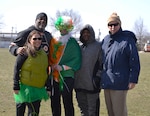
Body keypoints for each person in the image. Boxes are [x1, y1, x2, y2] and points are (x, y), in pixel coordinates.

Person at [101, 12, 140, 116]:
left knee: (119, 113)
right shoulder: (105, 40)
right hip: (107, 81)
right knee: (111, 112)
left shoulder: (127, 39)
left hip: (119, 82)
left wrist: (133, 79)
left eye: (115, 24)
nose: (112, 27)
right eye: (110, 25)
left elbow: (134, 60)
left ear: (120, 24)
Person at [48, 16, 81, 116]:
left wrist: (62, 67)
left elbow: (77, 59)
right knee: (54, 101)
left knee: (67, 101)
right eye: (61, 26)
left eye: (66, 27)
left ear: (69, 27)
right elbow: (49, 56)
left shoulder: (72, 42)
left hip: (67, 76)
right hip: (54, 76)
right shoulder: (53, 40)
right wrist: (52, 66)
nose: (63, 29)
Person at [13, 30, 50, 116]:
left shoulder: (43, 54)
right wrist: (16, 85)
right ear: (30, 40)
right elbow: (16, 68)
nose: (37, 40)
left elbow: (46, 71)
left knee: (34, 112)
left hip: (38, 89)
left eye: (39, 38)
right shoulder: (24, 52)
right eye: (35, 39)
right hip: (24, 88)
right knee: (20, 112)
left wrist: (48, 87)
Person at [74, 24, 103, 116]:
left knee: (92, 112)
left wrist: (97, 79)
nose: (86, 34)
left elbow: (102, 64)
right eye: (84, 33)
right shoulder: (79, 47)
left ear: (92, 34)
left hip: (92, 85)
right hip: (79, 85)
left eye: (88, 32)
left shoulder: (98, 46)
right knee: (83, 111)